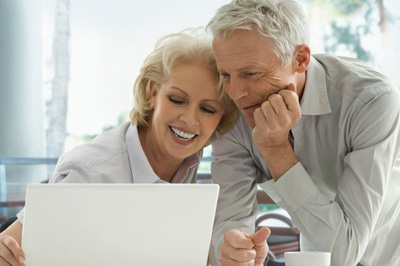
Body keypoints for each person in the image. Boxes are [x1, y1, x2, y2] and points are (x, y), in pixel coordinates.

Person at [0, 28, 240, 266]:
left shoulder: (188, 159)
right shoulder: (91, 171)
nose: (189, 120)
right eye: (177, 100)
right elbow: (10, 250)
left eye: (208, 109)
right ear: (152, 93)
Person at [206, 0, 400, 266]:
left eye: (251, 73)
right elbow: (230, 220)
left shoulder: (370, 101)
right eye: (225, 74)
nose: (235, 93)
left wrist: (276, 150)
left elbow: (342, 254)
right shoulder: (235, 112)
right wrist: (233, 246)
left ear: (300, 59)